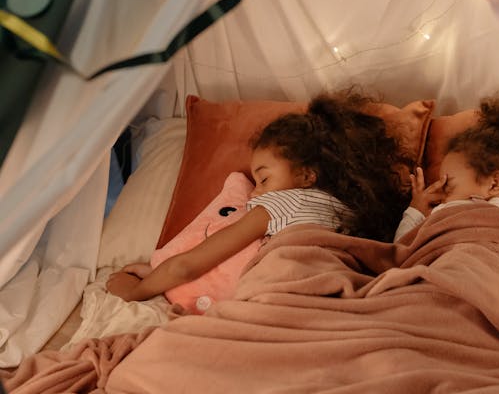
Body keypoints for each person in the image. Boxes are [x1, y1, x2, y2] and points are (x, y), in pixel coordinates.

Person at [107, 90, 411, 303]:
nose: (256, 191)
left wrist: (138, 290)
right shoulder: (350, 213)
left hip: (284, 300)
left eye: (264, 178)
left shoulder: (278, 204)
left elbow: (188, 266)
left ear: (307, 175)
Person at [395, 84, 499, 241]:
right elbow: (402, 256)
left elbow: (400, 251)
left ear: (494, 185)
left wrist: (415, 212)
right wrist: (417, 209)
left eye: (448, 186)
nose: (440, 197)